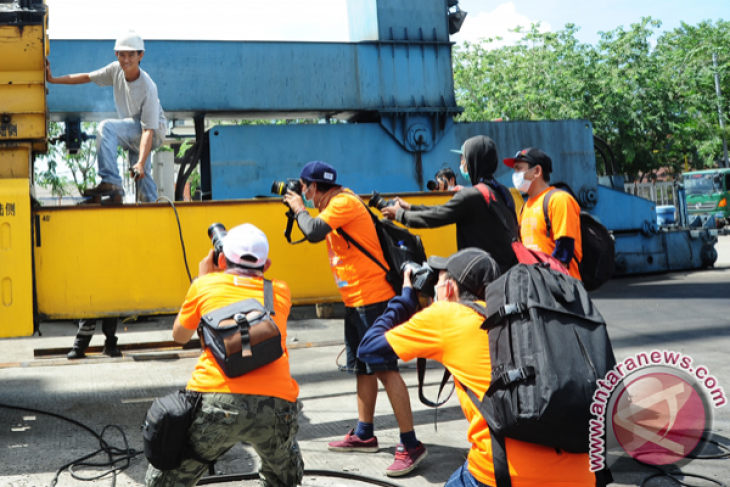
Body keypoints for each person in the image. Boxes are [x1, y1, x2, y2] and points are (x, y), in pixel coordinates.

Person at [358, 248, 595, 487]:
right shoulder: (518, 316)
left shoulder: (447, 315)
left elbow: (368, 348)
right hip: (583, 473)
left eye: (439, 278)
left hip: (508, 474)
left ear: (449, 288)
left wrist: (406, 299)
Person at [282, 161, 426, 477]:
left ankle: (411, 444)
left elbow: (313, 232)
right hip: (356, 300)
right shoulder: (335, 203)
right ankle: (364, 433)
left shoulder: (342, 202)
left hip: (374, 299)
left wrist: (296, 208)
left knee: (386, 370)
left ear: (314, 187)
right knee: (363, 366)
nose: (303, 194)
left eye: (305, 189)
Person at [145, 223, 303, 487]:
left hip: (217, 401)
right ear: (267, 265)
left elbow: (179, 336)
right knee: (283, 479)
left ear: (220, 259)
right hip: (276, 405)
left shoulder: (205, 285)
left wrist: (200, 279)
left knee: (165, 481)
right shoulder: (281, 290)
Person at [46, 31, 166, 202]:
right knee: (141, 177)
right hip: (134, 129)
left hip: (152, 130)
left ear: (141, 55)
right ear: (116, 55)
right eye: (122, 54)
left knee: (107, 128)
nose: (126, 60)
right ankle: (152, 212)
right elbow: (87, 77)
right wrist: (53, 79)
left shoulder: (148, 87)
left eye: (131, 54)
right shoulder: (115, 70)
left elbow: (148, 130)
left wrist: (140, 161)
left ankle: (111, 182)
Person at [381, 136, 519, 274]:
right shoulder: (503, 192)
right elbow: (443, 210)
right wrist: (410, 207)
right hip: (508, 272)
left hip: (485, 277)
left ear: (473, 160)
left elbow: (435, 217)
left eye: (463, 159)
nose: (462, 164)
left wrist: (399, 214)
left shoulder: (471, 197)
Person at [504, 148, 583, 280]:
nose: (515, 174)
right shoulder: (524, 208)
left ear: (537, 171)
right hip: (539, 287)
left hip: (562, 287)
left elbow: (564, 251)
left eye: (519, 169)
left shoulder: (559, 199)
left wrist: (546, 280)